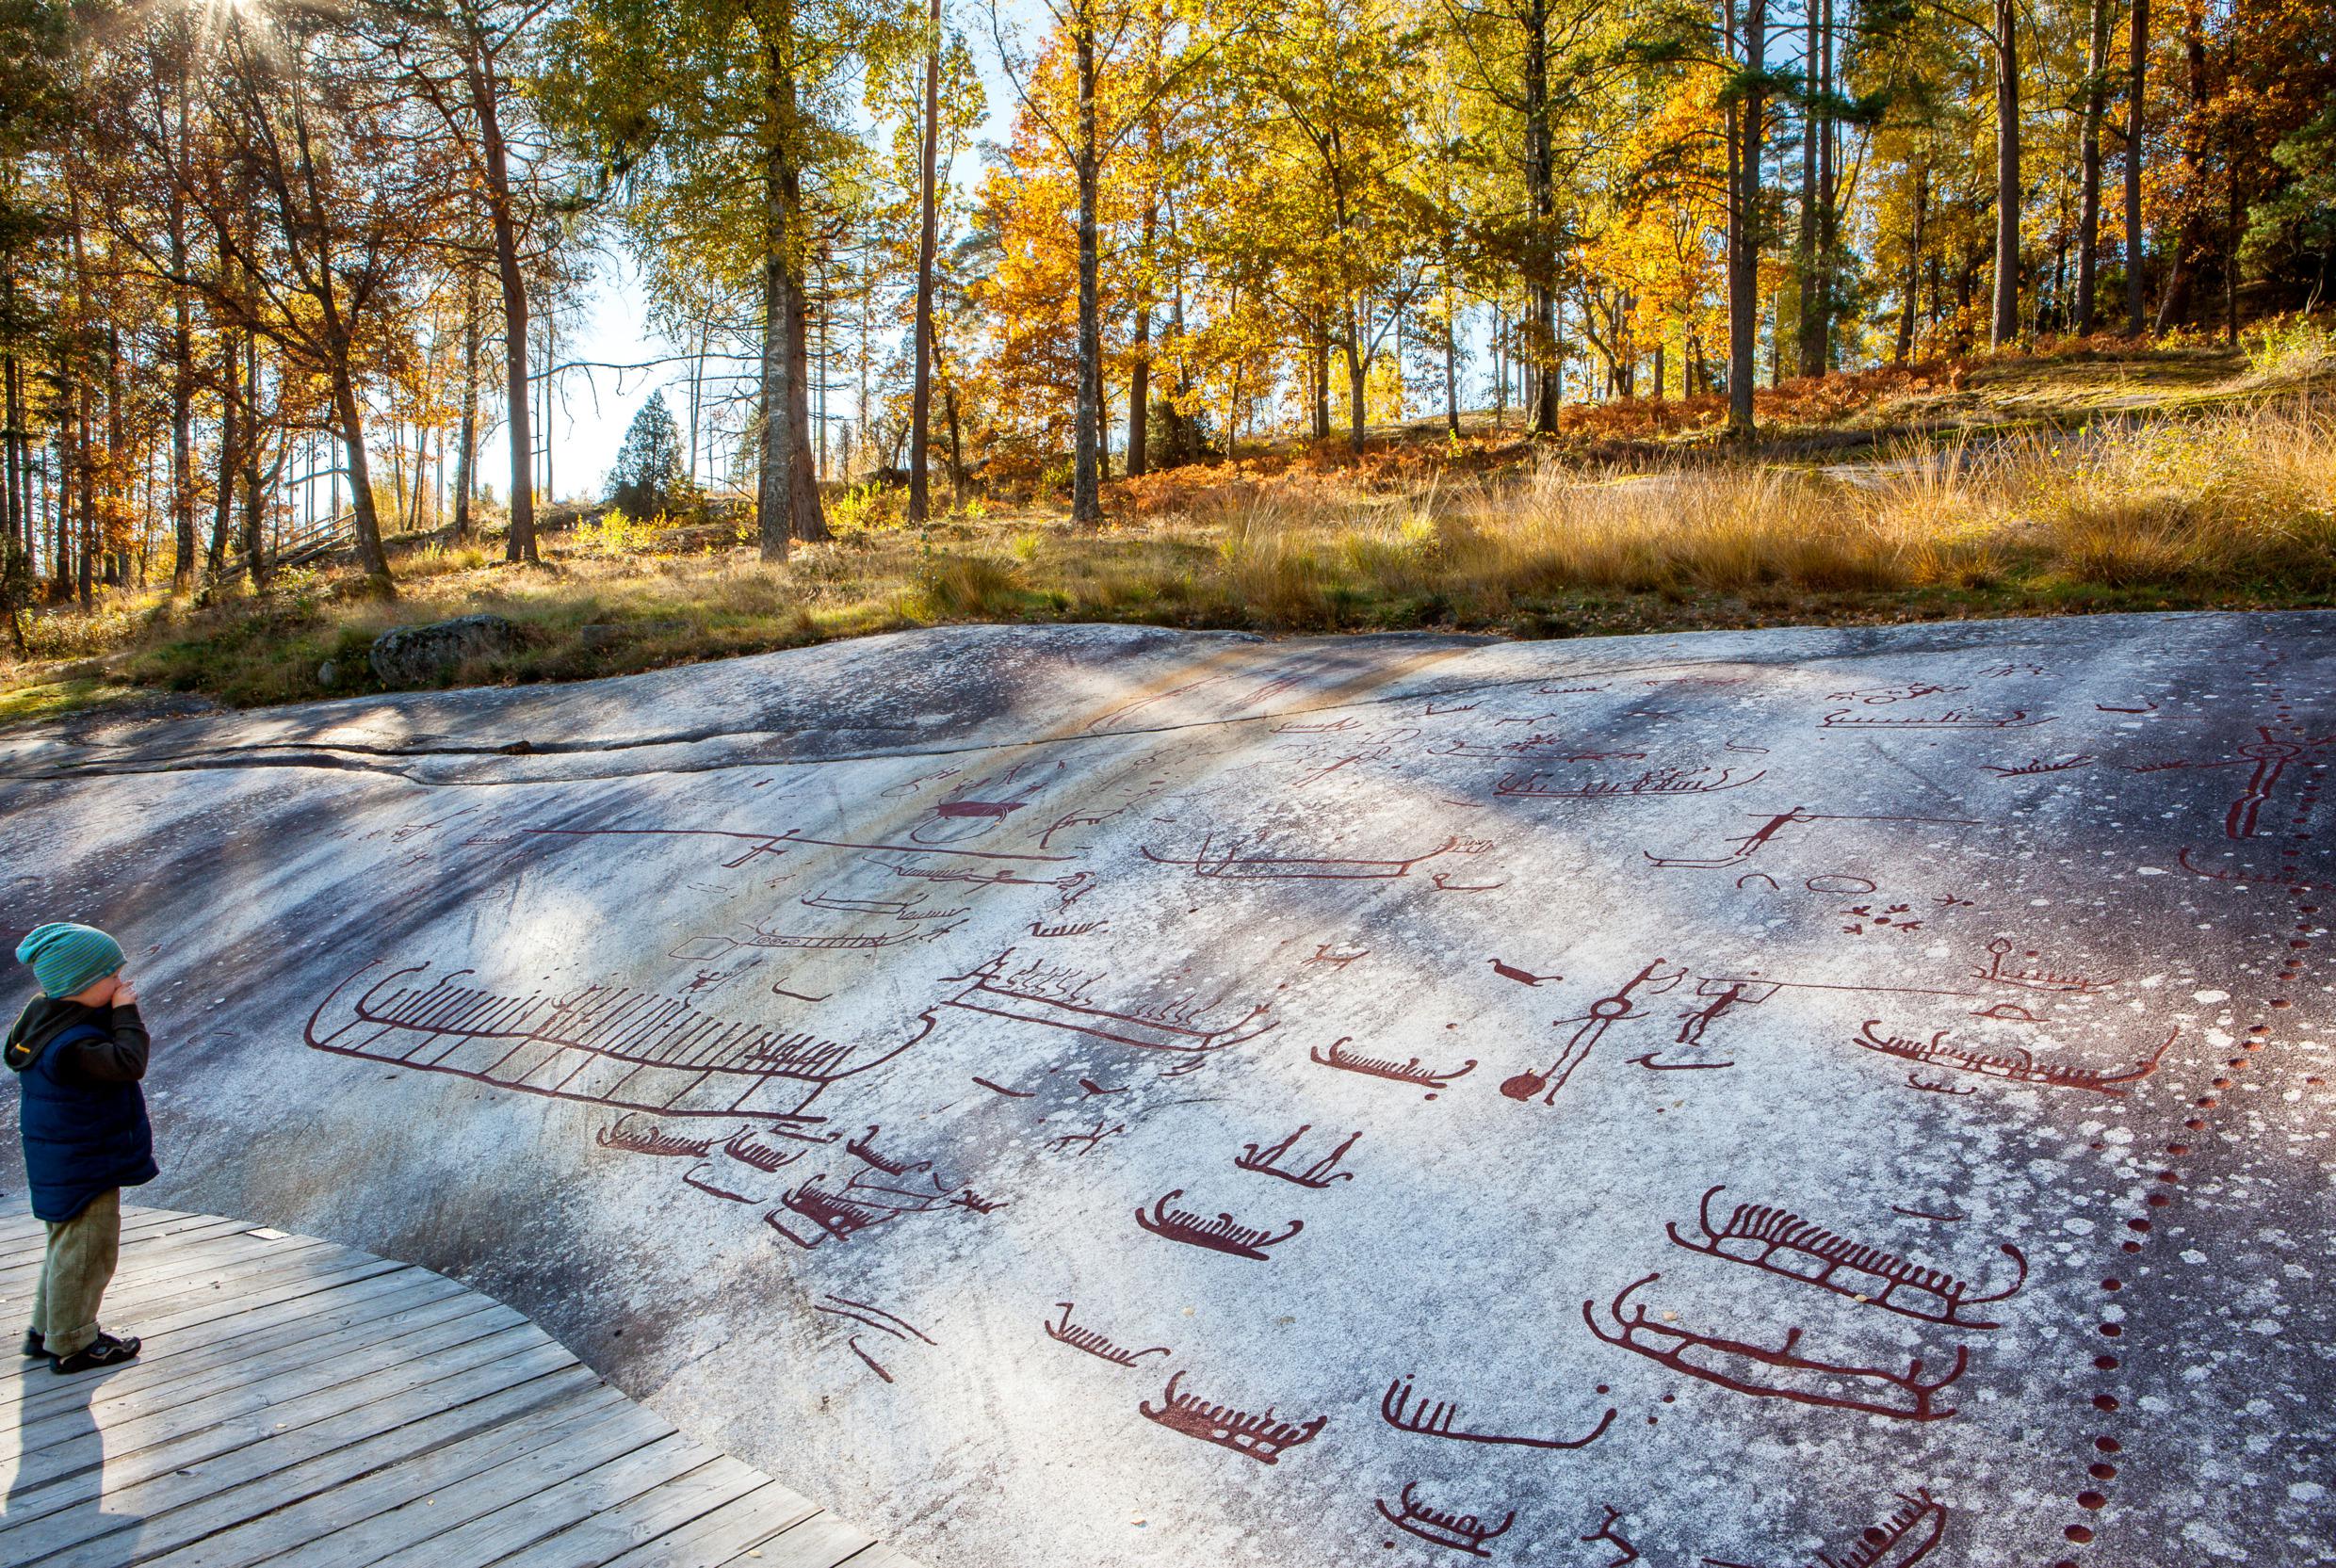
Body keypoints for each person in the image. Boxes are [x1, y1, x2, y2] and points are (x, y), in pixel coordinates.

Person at [8, 922, 155, 1373]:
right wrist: (126, 1014)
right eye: (111, 975)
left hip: (64, 1160)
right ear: (83, 984)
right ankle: (75, 1342)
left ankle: (47, 1330)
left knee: (66, 1246)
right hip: (86, 1162)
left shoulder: (47, 1022)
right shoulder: (74, 1046)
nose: (119, 982)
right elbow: (129, 1062)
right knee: (89, 1252)